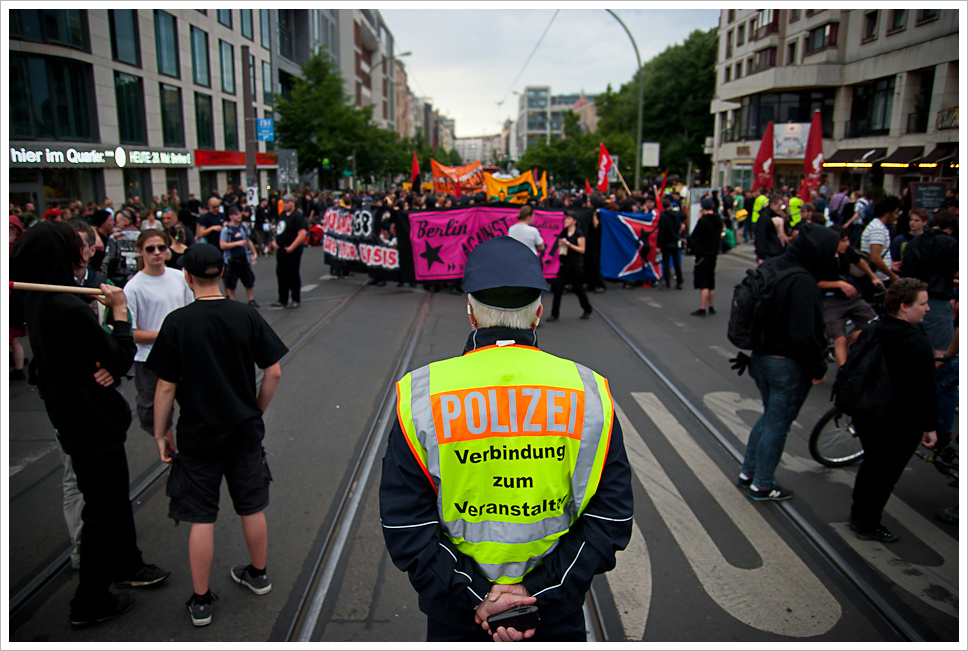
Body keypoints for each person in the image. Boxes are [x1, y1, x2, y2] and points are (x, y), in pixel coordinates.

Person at [379, 236, 633, 642]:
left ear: (470, 313)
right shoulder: (590, 393)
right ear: (538, 313)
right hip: (555, 615)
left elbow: (405, 523)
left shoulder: (422, 395)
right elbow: (611, 519)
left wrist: (478, 598)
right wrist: (535, 593)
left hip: (458, 616)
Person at [11, 221, 169, 627]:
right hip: (91, 424)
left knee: (113, 502)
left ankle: (127, 564)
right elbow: (119, 357)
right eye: (76, 247)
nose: (85, 252)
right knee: (101, 509)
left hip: (76, 417)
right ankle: (90, 600)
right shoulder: (65, 306)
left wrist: (92, 366)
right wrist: (118, 314)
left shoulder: (40, 302)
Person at [147, 244, 287, 627]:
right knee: (251, 506)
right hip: (243, 432)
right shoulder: (245, 315)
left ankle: (202, 600)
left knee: (201, 517)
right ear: (223, 271)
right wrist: (255, 410)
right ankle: (257, 574)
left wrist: (162, 433)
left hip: (198, 436)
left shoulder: (177, 322)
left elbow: (164, 386)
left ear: (187, 277)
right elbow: (272, 371)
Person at [737, 223, 840, 500]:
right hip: (786, 364)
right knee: (778, 423)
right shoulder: (803, 282)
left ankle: (748, 472)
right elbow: (804, 334)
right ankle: (763, 483)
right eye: (832, 252)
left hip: (760, 357)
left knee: (770, 416)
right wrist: (818, 366)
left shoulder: (775, 265)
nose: (836, 257)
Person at [848, 278, 937, 542]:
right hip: (898, 421)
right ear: (904, 307)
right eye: (922, 303)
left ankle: (858, 515)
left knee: (871, 464)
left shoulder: (873, 329)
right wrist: (930, 426)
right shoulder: (915, 342)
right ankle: (868, 524)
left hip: (866, 413)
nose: (927, 309)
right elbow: (925, 389)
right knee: (885, 474)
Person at [123, 229, 195, 451]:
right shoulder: (133, 287)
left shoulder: (179, 277)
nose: (156, 253)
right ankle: (171, 456)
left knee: (194, 405)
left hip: (183, 355)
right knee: (156, 412)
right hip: (150, 360)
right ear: (140, 252)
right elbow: (131, 332)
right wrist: (166, 337)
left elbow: (191, 311)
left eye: (161, 248)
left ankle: (193, 451)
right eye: (150, 249)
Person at [819, 225, 882, 367]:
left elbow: (859, 262)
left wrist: (872, 277)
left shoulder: (847, 252)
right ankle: (844, 372)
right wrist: (839, 284)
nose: (847, 244)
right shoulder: (820, 257)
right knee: (839, 338)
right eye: (844, 241)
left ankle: (847, 344)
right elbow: (816, 282)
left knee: (874, 325)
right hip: (831, 301)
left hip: (852, 297)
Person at [547, 212, 592, 321]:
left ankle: (587, 308)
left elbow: (582, 249)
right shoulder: (564, 232)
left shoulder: (579, 234)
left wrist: (569, 245)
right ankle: (554, 313)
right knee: (558, 289)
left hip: (575, 265)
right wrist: (561, 244)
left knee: (578, 289)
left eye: (569, 219)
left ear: (574, 221)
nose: (566, 220)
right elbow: (559, 244)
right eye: (566, 219)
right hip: (564, 265)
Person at [270, 193, 308, 309]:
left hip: (292, 250)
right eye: (283, 203)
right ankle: (283, 299)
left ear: (292, 203)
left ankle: (295, 298)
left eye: (287, 202)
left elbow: (302, 234)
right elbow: (279, 229)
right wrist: (275, 241)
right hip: (282, 249)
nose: (285, 205)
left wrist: (292, 247)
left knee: (293, 274)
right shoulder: (282, 214)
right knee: (281, 274)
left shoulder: (297, 216)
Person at [689, 197, 724, 316]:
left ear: (702, 208)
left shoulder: (703, 221)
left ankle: (702, 308)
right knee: (711, 280)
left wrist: (700, 218)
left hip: (703, 253)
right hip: (713, 253)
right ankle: (711, 306)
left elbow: (694, 235)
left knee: (703, 282)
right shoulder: (718, 220)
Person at [219, 205, 260, 306]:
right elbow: (222, 245)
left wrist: (254, 252)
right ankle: (232, 301)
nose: (239, 216)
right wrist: (236, 244)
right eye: (236, 215)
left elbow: (248, 240)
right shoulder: (226, 230)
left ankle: (251, 299)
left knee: (248, 279)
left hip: (243, 258)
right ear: (231, 216)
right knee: (231, 282)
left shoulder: (243, 227)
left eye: (239, 214)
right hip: (231, 259)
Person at [860, 196, 901, 286]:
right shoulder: (878, 229)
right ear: (888, 213)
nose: (896, 217)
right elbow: (875, 258)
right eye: (895, 213)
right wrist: (892, 276)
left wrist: (889, 263)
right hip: (878, 279)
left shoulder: (877, 226)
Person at [657, 196, 684, 289]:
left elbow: (661, 231)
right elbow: (683, 216)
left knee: (666, 262)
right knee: (676, 262)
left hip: (666, 242)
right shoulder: (676, 215)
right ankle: (679, 281)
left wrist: (658, 244)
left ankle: (667, 282)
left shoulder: (663, 217)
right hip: (675, 240)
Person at [754, 194, 786, 264]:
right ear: (773, 204)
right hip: (768, 253)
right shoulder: (765, 217)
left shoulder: (775, 216)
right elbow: (760, 236)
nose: (780, 209)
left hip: (774, 252)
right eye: (779, 206)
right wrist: (761, 255)